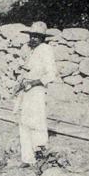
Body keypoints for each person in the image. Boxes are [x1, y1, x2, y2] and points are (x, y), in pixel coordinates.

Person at [13, 21, 57, 166]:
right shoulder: (32, 50)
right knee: (24, 121)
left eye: (37, 36)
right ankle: (27, 158)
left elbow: (51, 74)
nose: (33, 39)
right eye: (32, 36)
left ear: (43, 38)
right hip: (26, 89)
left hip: (36, 89)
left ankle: (39, 152)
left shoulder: (46, 49)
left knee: (37, 120)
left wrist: (33, 83)